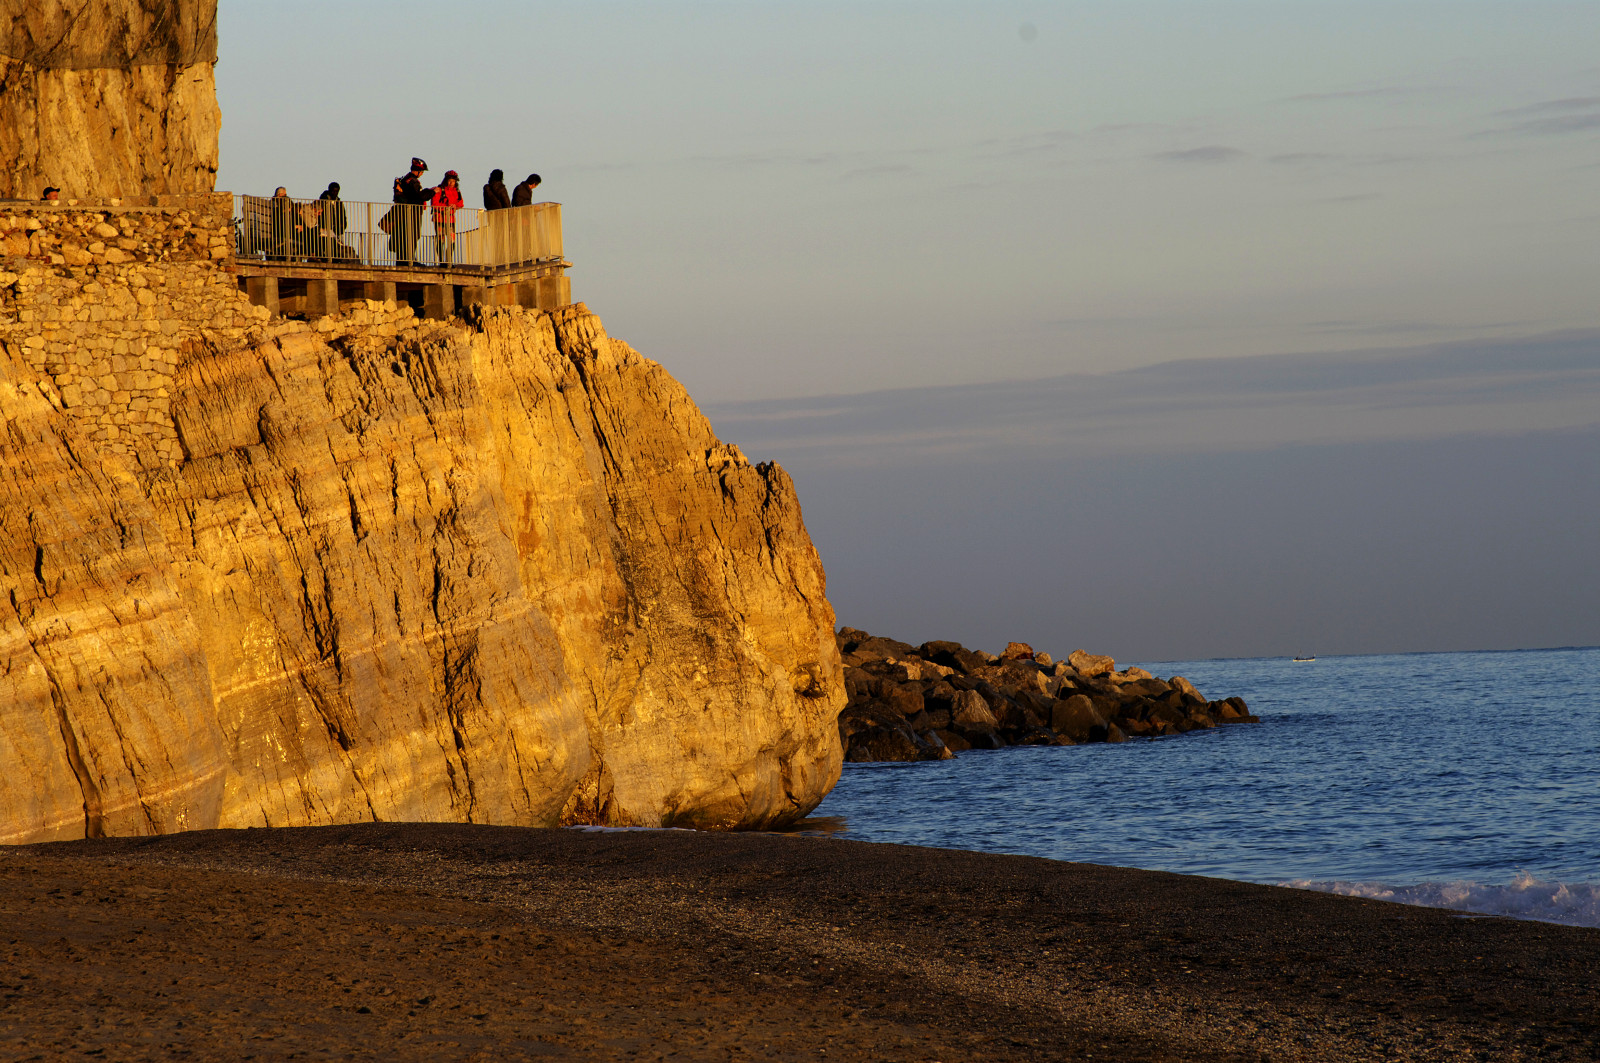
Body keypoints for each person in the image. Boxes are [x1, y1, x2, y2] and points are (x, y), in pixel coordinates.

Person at [388, 157, 429, 266]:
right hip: (412, 213)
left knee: (403, 235)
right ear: (418, 171)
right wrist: (433, 191)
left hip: (403, 212)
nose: (422, 174)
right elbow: (420, 195)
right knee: (412, 235)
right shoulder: (412, 181)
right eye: (422, 172)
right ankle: (410, 260)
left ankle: (402, 260)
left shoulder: (404, 179)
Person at [431, 170, 464, 265]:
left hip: (451, 219)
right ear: (446, 180)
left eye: (453, 181)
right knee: (441, 240)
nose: (451, 183)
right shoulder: (439, 190)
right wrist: (446, 206)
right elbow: (434, 203)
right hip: (439, 219)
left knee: (452, 241)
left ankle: (449, 261)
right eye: (449, 181)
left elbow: (461, 203)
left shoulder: (457, 191)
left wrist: (455, 206)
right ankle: (442, 262)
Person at [318, 182, 349, 261]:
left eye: (337, 191)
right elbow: (320, 214)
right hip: (326, 228)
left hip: (338, 229)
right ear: (330, 190)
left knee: (340, 245)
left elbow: (343, 215)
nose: (335, 193)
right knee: (327, 244)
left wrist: (343, 225)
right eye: (334, 191)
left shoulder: (339, 202)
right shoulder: (323, 201)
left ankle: (338, 259)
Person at [269, 186, 295, 260]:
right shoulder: (275, 203)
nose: (286, 196)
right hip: (279, 228)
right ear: (279, 195)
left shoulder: (283, 201)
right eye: (284, 195)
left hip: (285, 227)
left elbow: (292, 206)